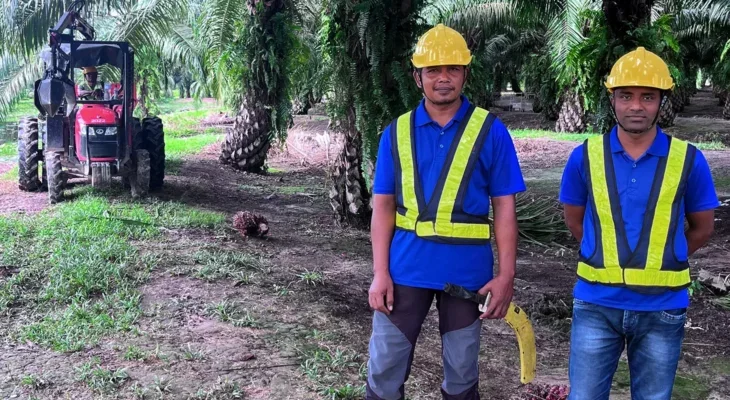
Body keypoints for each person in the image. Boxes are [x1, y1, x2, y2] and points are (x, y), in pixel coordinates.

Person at [366, 24, 526, 400]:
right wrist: (379, 273)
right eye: (433, 70)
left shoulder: (491, 131)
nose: (443, 79)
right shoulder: (397, 132)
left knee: (461, 375)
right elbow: (383, 207)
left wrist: (506, 276)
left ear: (465, 74)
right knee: (384, 371)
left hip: (467, 277)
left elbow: (505, 208)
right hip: (405, 270)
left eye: (452, 69)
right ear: (417, 76)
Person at [559, 47, 719, 400]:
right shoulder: (585, 157)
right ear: (612, 98)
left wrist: (665, 254)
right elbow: (575, 219)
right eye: (626, 96)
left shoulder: (688, 160)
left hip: (661, 308)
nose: (636, 106)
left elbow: (703, 228)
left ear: (662, 101)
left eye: (647, 97)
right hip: (596, 304)